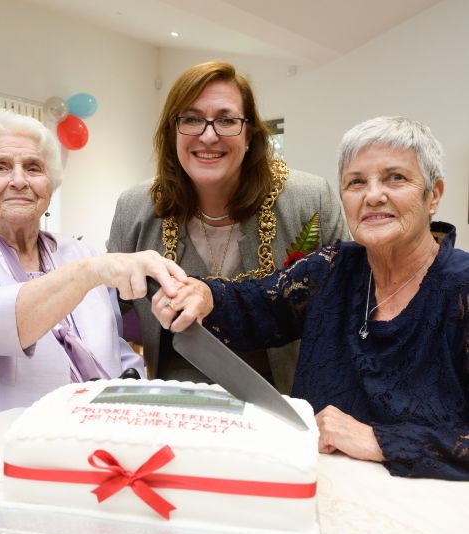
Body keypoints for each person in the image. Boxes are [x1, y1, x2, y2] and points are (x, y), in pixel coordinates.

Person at [152, 116, 469, 480]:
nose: (373, 194)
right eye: (356, 182)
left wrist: (379, 440)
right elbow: (256, 305)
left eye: (395, 178)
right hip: (316, 495)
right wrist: (204, 294)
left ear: (435, 194)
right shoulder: (331, 270)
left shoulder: (461, 289)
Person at [0, 109, 186, 422]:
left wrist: (139, 396)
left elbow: (116, 349)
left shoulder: (78, 251)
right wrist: (90, 272)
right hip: (3, 439)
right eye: (1, 167)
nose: (19, 180)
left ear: (50, 185)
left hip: (99, 435)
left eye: (33, 168)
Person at [107, 61, 349, 391]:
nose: (209, 136)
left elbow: (347, 309)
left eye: (226, 120)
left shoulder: (309, 201)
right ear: (172, 131)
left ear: (249, 133)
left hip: (285, 413)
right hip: (174, 412)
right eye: (191, 119)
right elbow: (106, 320)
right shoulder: (135, 208)